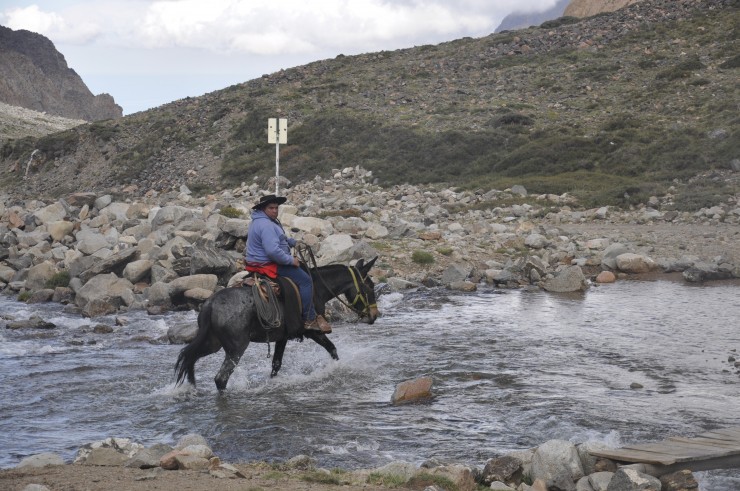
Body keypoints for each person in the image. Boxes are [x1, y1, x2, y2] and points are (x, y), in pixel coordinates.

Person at [244, 194, 331, 333]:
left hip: (256, 261)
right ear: (263, 209)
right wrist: (291, 260)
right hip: (268, 263)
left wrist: (292, 242)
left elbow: (278, 238)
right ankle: (310, 319)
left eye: (276, 208)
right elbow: (272, 251)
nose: (274, 210)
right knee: (306, 281)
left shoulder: (261, 220)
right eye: (271, 208)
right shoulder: (266, 224)